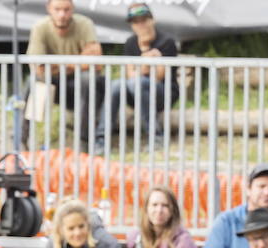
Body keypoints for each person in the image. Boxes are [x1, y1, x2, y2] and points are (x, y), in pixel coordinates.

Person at [96, 3, 178, 150]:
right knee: (116, 85)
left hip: (163, 94)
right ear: (132, 25)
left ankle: (156, 137)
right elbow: (130, 75)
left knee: (138, 83)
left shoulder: (167, 41)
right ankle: (101, 139)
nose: (140, 25)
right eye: (135, 21)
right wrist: (147, 59)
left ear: (152, 20)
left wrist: (144, 59)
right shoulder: (130, 43)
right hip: (137, 92)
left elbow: (158, 77)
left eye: (144, 20)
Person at [26, 0, 103, 144]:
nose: (62, 15)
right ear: (49, 8)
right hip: (54, 82)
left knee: (88, 78)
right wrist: (78, 61)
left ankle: (83, 140)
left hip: (80, 86)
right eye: (57, 9)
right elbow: (38, 68)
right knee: (34, 80)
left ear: (72, 9)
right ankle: (22, 138)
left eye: (66, 10)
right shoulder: (40, 27)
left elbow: (96, 61)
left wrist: (55, 63)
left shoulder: (85, 24)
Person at [116, 186, 196, 248]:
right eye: (154, 205)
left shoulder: (183, 242)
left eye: (165, 205)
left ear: (173, 210)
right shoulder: (135, 238)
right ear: (146, 209)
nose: (159, 210)